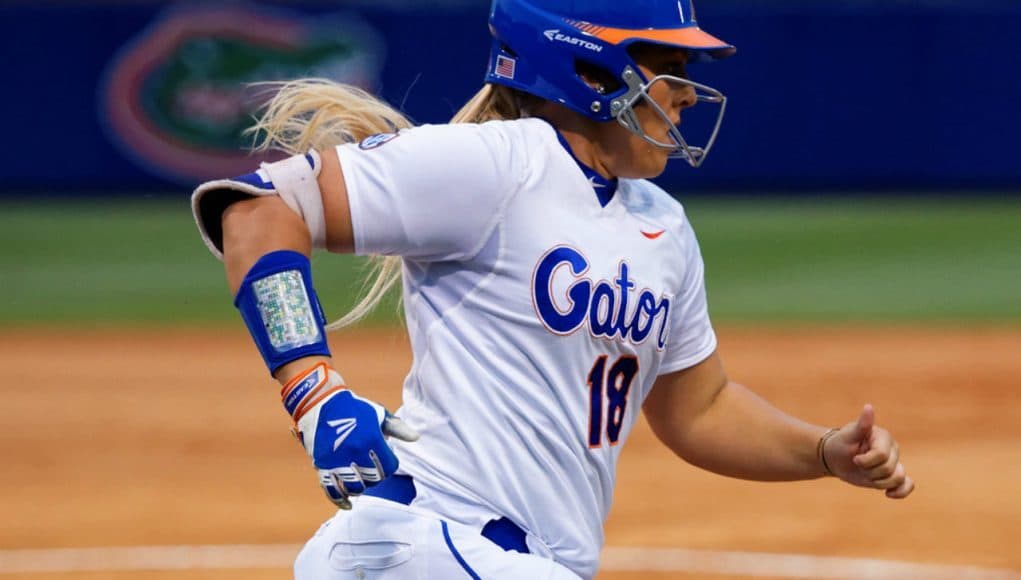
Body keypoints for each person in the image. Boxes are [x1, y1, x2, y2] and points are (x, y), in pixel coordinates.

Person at [191, 0, 915, 578]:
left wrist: (821, 451)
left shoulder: (662, 224)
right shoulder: (499, 164)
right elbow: (258, 208)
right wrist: (312, 394)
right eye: (668, 65)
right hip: (431, 540)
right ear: (591, 73)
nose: (688, 95)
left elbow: (700, 409)